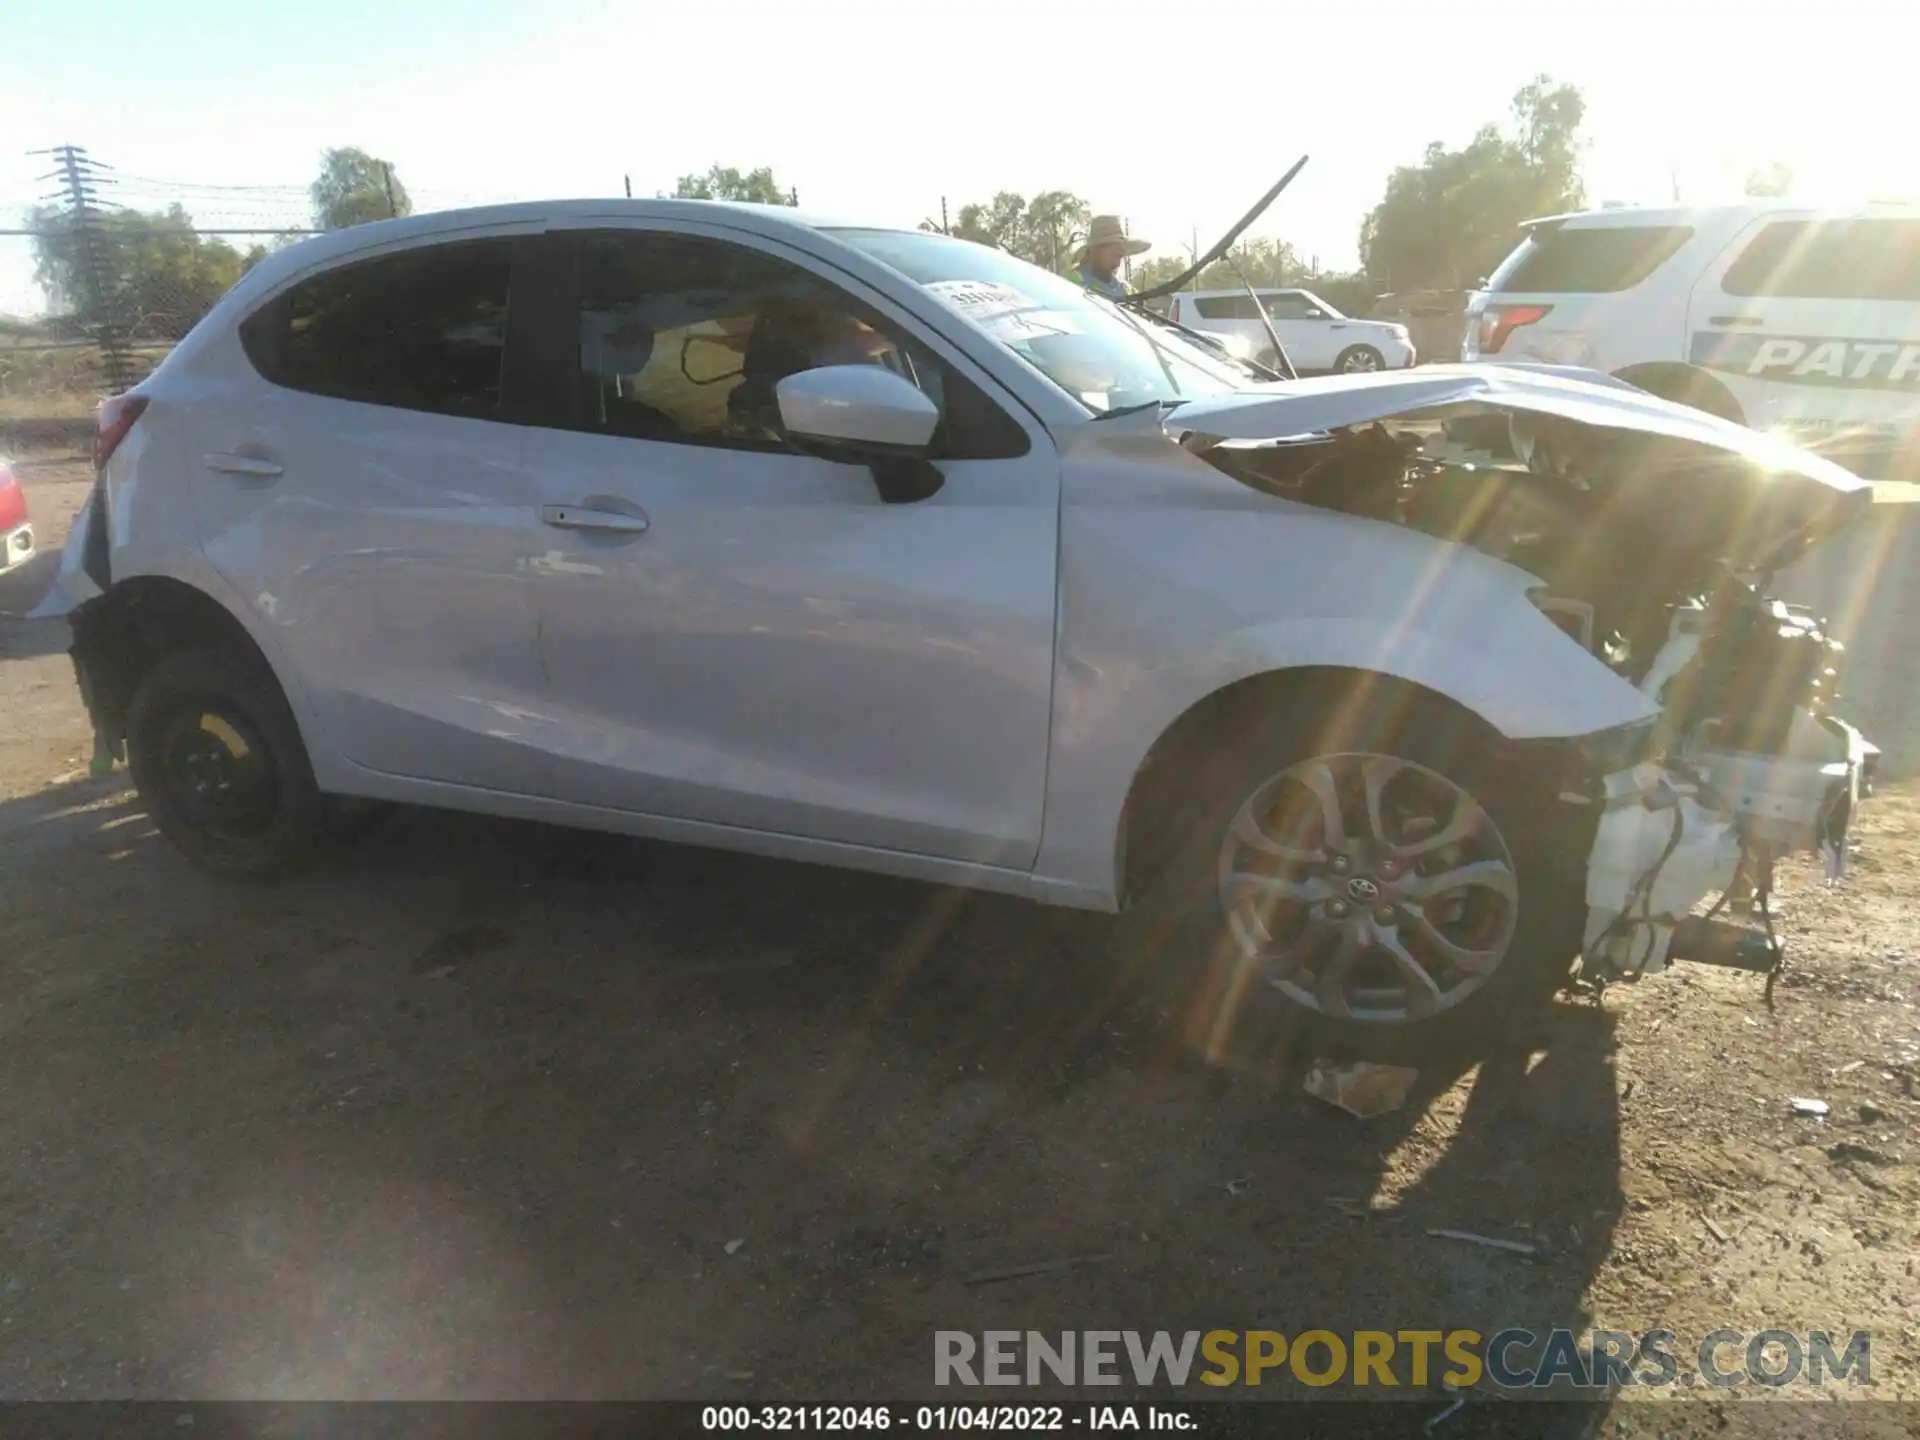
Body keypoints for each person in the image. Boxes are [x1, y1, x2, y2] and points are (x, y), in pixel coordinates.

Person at [1070, 215, 1151, 300]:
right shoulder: (1070, 284)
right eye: (1112, 245)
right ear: (1094, 249)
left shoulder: (1126, 290)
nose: (1119, 251)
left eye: (1120, 246)